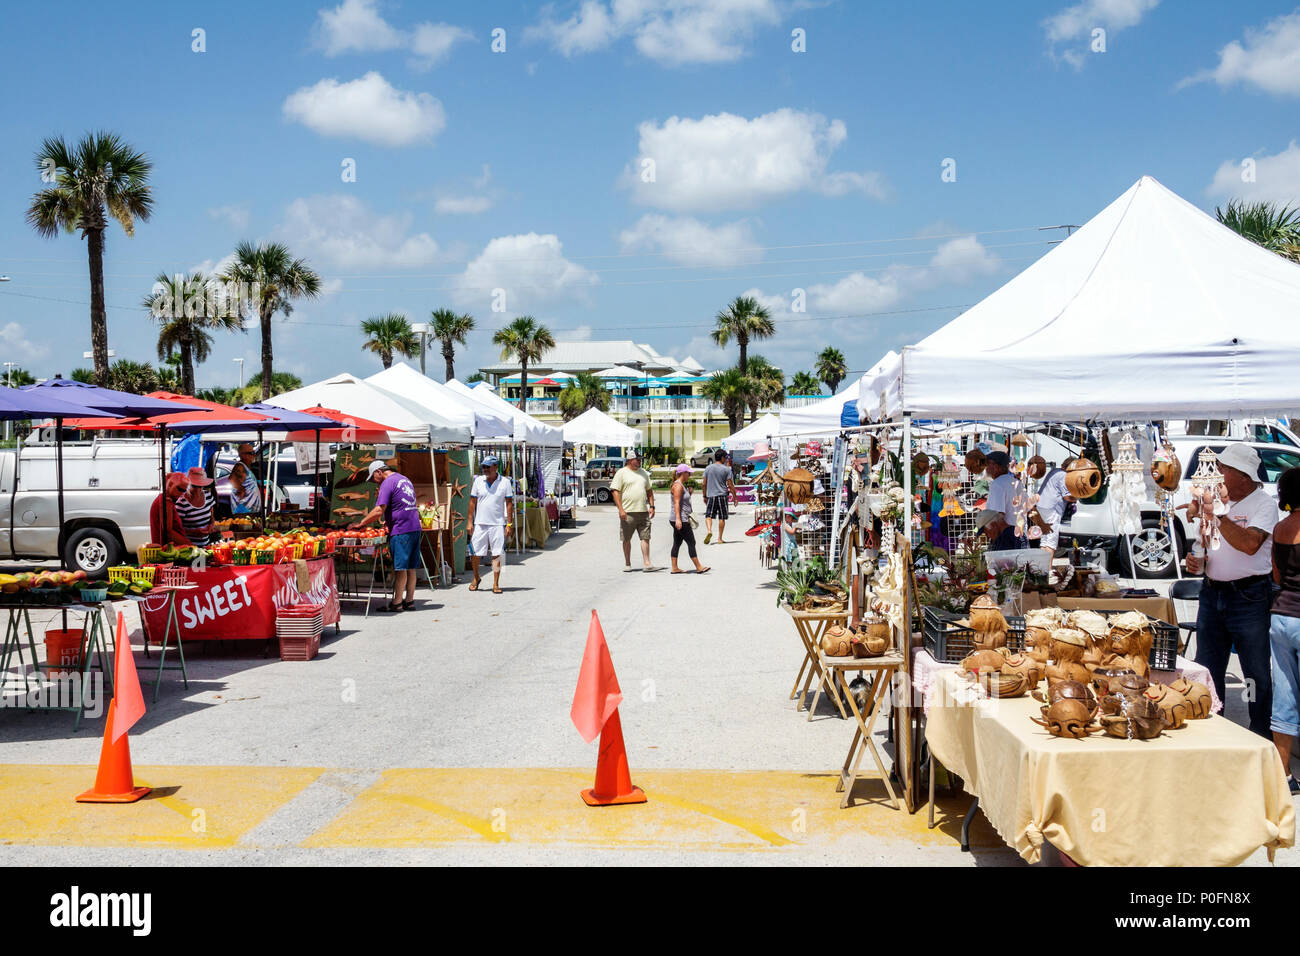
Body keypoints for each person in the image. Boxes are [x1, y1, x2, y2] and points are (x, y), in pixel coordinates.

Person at [1185, 443, 1276, 739]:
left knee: (1254, 673)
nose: (1220, 474)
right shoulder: (1222, 503)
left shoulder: (1263, 504)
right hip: (1213, 592)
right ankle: (1213, 730)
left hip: (1248, 596)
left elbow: (1250, 545)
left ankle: (1259, 733)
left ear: (1244, 476)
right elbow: (1209, 546)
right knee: (1208, 668)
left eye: (1226, 470)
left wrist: (1218, 515)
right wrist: (1198, 560)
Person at [353, 460, 422, 612]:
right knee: (411, 567)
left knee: (400, 568)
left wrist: (361, 523)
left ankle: (397, 603)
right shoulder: (404, 479)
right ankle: (409, 601)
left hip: (402, 529)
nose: (373, 482)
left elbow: (379, 510)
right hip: (414, 527)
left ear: (379, 472)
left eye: (373, 478)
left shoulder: (387, 482)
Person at [1269, 466, 1300, 793]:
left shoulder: (1280, 528)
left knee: (1286, 694)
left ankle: (1284, 773)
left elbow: (1276, 576)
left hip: (1281, 617)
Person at [467, 455, 515, 594]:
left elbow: (509, 503)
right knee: (474, 553)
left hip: (497, 524)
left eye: (488, 467)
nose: (485, 469)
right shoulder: (478, 481)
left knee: (497, 554)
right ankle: (476, 577)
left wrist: (509, 524)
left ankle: (496, 583)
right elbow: (472, 502)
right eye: (484, 467)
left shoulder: (505, 482)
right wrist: (469, 522)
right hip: (480, 523)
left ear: (496, 467)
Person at [611, 450, 660, 572]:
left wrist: (652, 506)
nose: (640, 461)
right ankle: (628, 563)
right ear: (630, 460)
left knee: (645, 537)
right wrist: (620, 509)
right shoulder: (621, 473)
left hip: (643, 511)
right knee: (626, 539)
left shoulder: (643, 473)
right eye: (637, 459)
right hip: (628, 512)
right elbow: (615, 491)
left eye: (640, 459)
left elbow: (649, 490)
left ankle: (647, 563)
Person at [668, 464, 709, 574]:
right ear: (683, 473)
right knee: (691, 541)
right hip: (681, 519)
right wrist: (678, 519)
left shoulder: (681, 485)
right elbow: (676, 503)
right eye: (688, 473)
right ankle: (699, 567)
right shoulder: (678, 486)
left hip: (680, 518)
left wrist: (689, 493)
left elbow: (681, 501)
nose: (689, 475)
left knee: (677, 542)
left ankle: (674, 568)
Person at [980, 451, 1025, 550]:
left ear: (996, 466)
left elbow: (998, 514)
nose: (986, 468)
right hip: (1019, 531)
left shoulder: (997, 484)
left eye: (988, 464)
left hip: (1005, 533)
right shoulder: (1017, 483)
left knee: (1003, 565)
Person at [1033, 457, 1076, 558]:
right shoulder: (1064, 475)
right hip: (1052, 509)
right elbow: (1067, 496)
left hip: (1041, 506)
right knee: (1051, 541)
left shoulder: (1055, 471)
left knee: (1044, 540)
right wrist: (1078, 497)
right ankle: (1048, 570)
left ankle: (1042, 569)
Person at [174, 466, 217, 546]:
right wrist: (194, 532)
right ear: (189, 484)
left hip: (206, 545)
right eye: (194, 486)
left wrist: (211, 525)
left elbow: (212, 516)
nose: (198, 490)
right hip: (188, 547)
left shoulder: (208, 496)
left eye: (200, 486)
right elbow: (177, 530)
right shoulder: (181, 503)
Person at [150, 472, 192, 547]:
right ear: (170, 485)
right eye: (179, 489)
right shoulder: (166, 502)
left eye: (184, 491)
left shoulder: (165, 499)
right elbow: (168, 532)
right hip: (168, 550)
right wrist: (188, 544)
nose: (181, 494)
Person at [702, 449, 735, 544]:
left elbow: (704, 484)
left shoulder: (708, 468)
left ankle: (709, 530)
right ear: (722, 457)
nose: (726, 459)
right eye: (725, 457)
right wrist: (735, 497)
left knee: (709, 515)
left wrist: (704, 495)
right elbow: (730, 484)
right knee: (722, 517)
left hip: (711, 495)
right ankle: (720, 538)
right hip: (722, 495)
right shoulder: (726, 469)